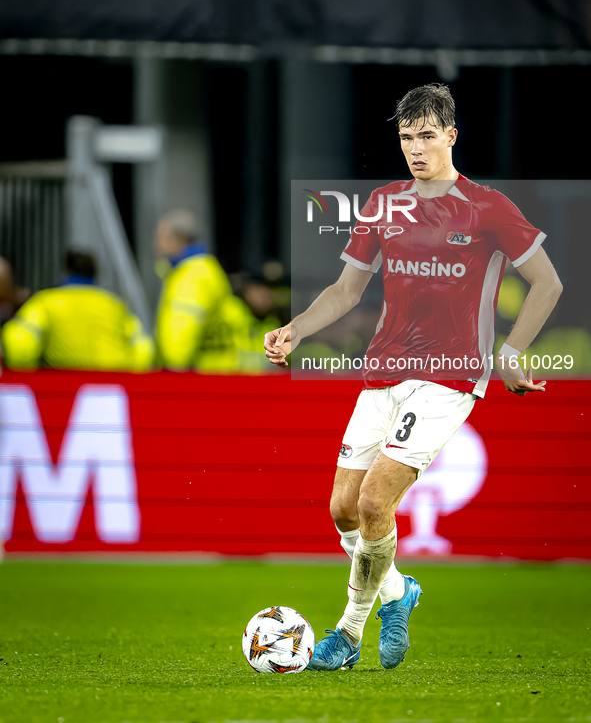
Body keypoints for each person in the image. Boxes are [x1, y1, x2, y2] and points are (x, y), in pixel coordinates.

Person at [264, 83, 563, 671]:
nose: (416, 148)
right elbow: (346, 290)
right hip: (384, 370)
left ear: (452, 135)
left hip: (449, 377)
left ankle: (348, 633)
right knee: (343, 510)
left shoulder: (489, 208)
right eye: (406, 137)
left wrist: (513, 351)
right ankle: (399, 590)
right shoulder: (382, 204)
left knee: (377, 501)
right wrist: (296, 330)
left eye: (427, 135)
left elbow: (548, 283)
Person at [1, 250, 153, 371]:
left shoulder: (45, 301)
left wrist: (27, 375)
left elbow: (20, 344)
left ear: (65, 272)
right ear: (94, 274)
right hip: (114, 384)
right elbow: (143, 346)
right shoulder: (114, 304)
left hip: (65, 385)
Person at [155, 209, 256, 372]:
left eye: (161, 238)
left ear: (177, 239)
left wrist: (172, 369)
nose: (157, 246)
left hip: (201, 376)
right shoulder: (208, 268)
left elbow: (180, 335)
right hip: (222, 369)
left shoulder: (190, 276)